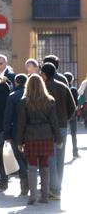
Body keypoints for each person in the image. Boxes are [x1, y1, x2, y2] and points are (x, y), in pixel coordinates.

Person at [15, 74, 62, 205]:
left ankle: (33, 196)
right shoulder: (50, 100)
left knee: (32, 167)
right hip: (46, 136)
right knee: (45, 166)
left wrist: (19, 141)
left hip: (30, 137)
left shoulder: (24, 101)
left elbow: (21, 123)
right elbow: (54, 122)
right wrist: (58, 138)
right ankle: (45, 196)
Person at [40, 62, 76, 200]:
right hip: (62, 126)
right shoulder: (63, 86)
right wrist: (65, 119)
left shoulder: (43, 89)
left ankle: (54, 189)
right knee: (60, 158)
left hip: (48, 127)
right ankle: (57, 188)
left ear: (44, 74)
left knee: (51, 157)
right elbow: (72, 107)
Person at [3, 74, 29, 195]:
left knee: (19, 157)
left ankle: (24, 182)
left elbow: (8, 117)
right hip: (31, 130)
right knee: (30, 158)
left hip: (16, 131)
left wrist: (6, 134)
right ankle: (30, 181)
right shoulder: (31, 95)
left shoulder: (12, 96)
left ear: (16, 82)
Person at [63, 72, 80, 159]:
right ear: (72, 80)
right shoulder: (73, 89)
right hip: (73, 113)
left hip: (64, 114)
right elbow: (76, 102)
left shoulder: (62, 88)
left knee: (63, 133)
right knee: (74, 134)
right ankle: (75, 152)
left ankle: (62, 153)